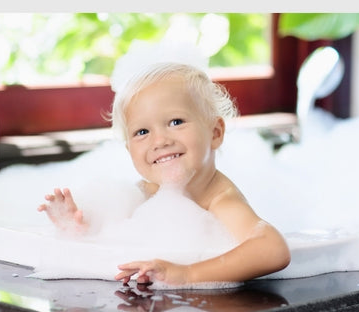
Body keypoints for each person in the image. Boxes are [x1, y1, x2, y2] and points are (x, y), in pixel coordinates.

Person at [37, 62, 290, 287]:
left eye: (176, 122)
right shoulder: (147, 191)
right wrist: (80, 226)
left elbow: (272, 249)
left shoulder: (220, 199)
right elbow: (115, 232)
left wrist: (188, 274)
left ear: (215, 133)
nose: (159, 141)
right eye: (142, 132)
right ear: (129, 150)